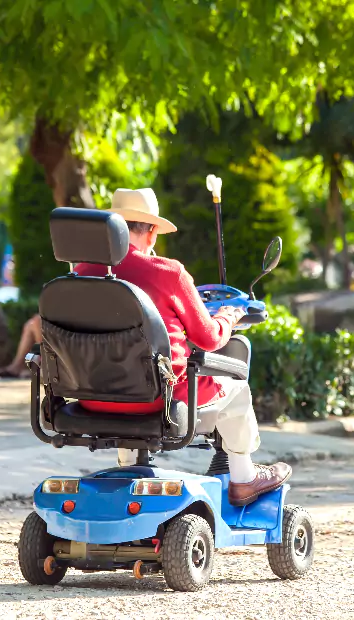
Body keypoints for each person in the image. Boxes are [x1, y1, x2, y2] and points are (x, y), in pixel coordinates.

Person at [71, 188, 291, 507]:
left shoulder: (81, 273)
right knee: (235, 386)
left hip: (91, 398)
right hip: (160, 400)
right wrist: (227, 317)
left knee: (128, 377)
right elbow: (210, 338)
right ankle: (244, 478)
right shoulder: (168, 273)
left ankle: (130, 469)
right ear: (153, 231)